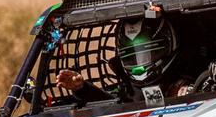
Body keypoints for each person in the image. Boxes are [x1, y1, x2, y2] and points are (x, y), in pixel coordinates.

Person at [56, 15, 195, 105]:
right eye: (130, 55)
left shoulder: (195, 82)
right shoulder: (130, 92)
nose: (139, 64)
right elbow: (110, 104)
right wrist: (81, 88)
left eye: (147, 51)